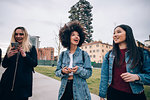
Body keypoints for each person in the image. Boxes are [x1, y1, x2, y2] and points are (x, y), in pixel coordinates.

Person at [99, 24, 150, 100]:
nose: (115, 35)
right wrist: (102, 95)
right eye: (114, 33)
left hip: (135, 95)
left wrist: (137, 77)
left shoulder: (142, 53)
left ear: (128, 33)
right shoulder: (109, 54)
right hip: (113, 94)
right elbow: (104, 76)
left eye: (118, 32)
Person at [55, 21, 92, 100]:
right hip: (65, 88)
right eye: (73, 35)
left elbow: (88, 73)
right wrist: (62, 71)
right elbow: (57, 72)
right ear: (67, 37)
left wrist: (79, 70)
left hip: (80, 90)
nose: (76, 37)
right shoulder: (62, 55)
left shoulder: (84, 54)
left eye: (78, 35)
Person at [0, 26, 37, 100]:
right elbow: (4, 65)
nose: (18, 36)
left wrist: (25, 55)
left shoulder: (31, 48)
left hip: (23, 86)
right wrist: (8, 56)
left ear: (25, 35)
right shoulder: (10, 47)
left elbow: (34, 63)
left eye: (21, 34)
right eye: (16, 34)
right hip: (7, 83)